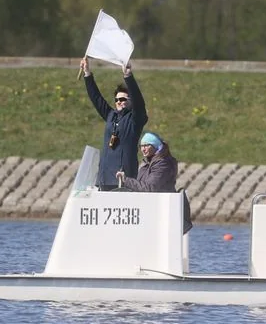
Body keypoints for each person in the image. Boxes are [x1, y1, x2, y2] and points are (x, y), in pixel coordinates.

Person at [80, 57, 148, 190]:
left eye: (122, 99)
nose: (118, 101)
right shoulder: (111, 116)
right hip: (104, 178)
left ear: (130, 101)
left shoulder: (136, 119)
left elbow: (139, 102)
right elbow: (97, 99)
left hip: (123, 179)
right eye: (116, 99)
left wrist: (128, 76)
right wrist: (87, 73)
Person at [116, 132, 192, 234]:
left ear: (155, 146)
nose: (143, 149)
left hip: (162, 212)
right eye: (141, 146)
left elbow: (150, 188)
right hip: (149, 211)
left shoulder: (163, 164)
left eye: (147, 145)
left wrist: (126, 180)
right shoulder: (147, 164)